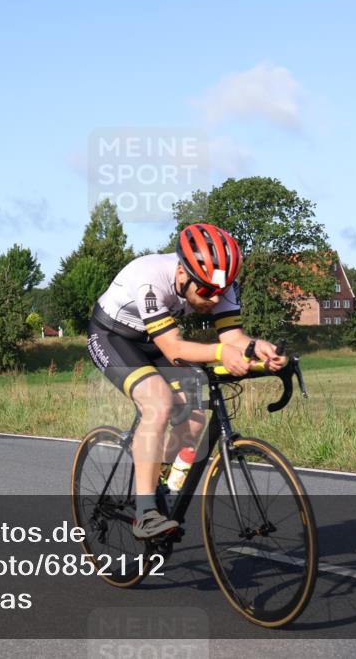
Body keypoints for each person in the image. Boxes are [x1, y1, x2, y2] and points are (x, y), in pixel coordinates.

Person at [86, 223, 287, 539]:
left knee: (193, 420)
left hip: (156, 339)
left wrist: (259, 348)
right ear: (182, 273)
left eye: (221, 291)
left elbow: (233, 337)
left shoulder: (218, 282)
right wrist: (221, 353)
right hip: (113, 336)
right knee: (158, 402)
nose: (214, 299)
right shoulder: (150, 278)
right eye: (206, 292)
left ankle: (156, 479)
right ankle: (145, 514)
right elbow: (174, 349)